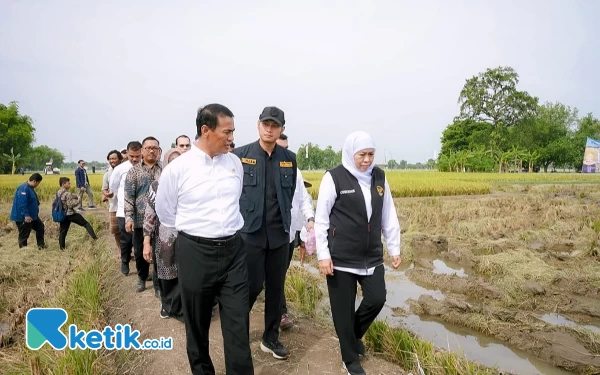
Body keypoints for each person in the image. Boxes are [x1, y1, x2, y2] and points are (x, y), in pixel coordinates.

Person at [156, 103, 253, 374]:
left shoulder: (234, 163)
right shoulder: (178, 169)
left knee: (237, 324)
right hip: (196, 253)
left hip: (234, 253)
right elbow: (166, 213)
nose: (232, 137)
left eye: (233, 131)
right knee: (197, 324)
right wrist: (197, 236)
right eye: (227, 131)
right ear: (205, 130)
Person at [315, 131, 401, 375]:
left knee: (377, 298)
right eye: (361, 155)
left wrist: (394, 248)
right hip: (340, 257)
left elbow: (388, 215)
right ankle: (350, 359)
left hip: (371, 255)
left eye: (371, 154)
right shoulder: (334, 178)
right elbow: (321, 219)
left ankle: (350, 338)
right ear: (350, 153)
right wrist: (323, 255)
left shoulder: (380, 178)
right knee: (342, 310)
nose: (366, 160)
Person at [233, 106, 297, 360]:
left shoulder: (288, 158)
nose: (270, 129)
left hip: (279, 234)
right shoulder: (240, 155)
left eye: (275, 125)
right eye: (266, 124)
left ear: (282, 128)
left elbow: (289, 193)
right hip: (250, 233)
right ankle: (238, 333)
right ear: (258, 125)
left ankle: (270, 338)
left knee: (275, 288)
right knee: (250, 286)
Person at [276, 133, 315, 330]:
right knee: (263, 278)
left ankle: (280, 313)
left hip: (288, 233)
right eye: (280, 148)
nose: (284, 153)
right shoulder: (258, 168)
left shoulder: (295, 172)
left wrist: (309, 219)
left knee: (279, 274)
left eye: (287, 148)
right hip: (263, 234)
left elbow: (304, 199)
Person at [143, 147, 183, 321]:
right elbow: (149, 215)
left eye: (178, 160)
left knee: (185, 274)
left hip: (187, 237)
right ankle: (167, 306)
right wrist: (146, 242)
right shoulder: (156, 186)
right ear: (166, 163)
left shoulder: (191, 183)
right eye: (171, 161)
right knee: (167, 273)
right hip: (164, 238)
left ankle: (184, 308)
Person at [124, 136, 162, 294]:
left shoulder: (165, 170)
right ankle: (142, 277)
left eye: (155, 148)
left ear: (159, 151)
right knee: (140, 252)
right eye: (148, 148)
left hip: (161, 219)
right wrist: (128, 217)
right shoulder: (134, 172)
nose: (151, 150)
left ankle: (159, 284)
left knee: (159, 252)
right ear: (142, 151)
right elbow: (128, 196)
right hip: (140, 219)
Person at [109, 141, 142, 276]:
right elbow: (113, 187)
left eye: (137, 156)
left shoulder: (145, 167)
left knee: (139, 241)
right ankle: (125, 261)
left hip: (141, 213)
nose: (134, 159)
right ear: (127, 154)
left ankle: (142, 271)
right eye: (131, 156)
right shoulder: (120, 169)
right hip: (124, 212)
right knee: (126, 240)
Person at [57, 177, 98, 250]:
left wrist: (76, 196)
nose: (70, 185)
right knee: (86, 224)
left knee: (63, 232)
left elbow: (69, 197)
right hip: (70, 214)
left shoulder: (58, 192)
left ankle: (62, 248)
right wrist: (78, 201)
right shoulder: (67, 193)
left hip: (63, 215)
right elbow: (70, 205)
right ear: (63, 184)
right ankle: (95, 239)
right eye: (68, 183)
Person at [10, 173, 46, 249]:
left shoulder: (30, 188)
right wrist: (26, 215)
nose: (38, 185)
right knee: (24, 234)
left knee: (40, 227)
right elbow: (22, 204)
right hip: (24, 217)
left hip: (33, 216)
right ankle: (23, 250)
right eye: (38, 183)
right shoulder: (24, 188)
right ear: (34, 181)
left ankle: (41, 246)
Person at [102, 150, 123, 258]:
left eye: (114, 158)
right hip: (114, 205)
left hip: (126, 205)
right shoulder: (107, 174)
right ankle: (121, 251)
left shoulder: (126, 170)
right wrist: (107, 194)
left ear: (120, 159)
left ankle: (129, 250)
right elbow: (104, 189)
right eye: (110, 159)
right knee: (116, 230)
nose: (112, 161)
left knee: (129, 229)